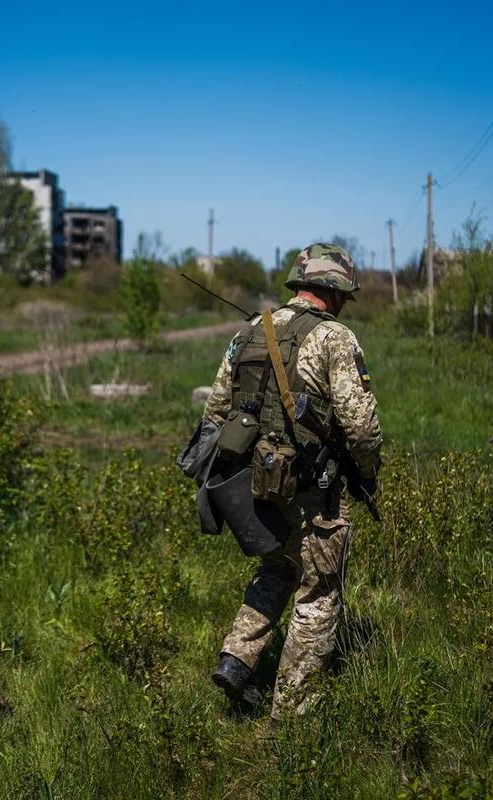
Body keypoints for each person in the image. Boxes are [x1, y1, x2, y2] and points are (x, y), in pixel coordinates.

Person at [201, 242, 383, 723]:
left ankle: (236, 660)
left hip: (257, 489)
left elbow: (215, 412)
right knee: (318, 593)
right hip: (312, 492)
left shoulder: (250, 332)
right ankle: (292, 716)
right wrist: (368, 473)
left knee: (276, 570)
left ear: (299, 282)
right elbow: (362, 428)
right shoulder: (336, 339)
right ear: (336, 289)